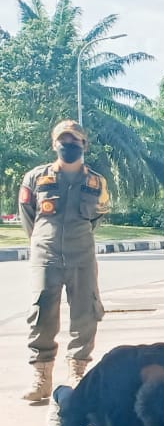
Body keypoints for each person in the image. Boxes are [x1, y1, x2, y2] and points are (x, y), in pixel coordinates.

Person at [18, 120, 110, 405]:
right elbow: (27, 215)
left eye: (74, 141)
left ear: (84, 145)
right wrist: (44, 239)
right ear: (53, 144)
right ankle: (42, 378)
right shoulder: (35, 178)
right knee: (42, 313)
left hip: (81, 255)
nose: (68, 145)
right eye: (63, 140)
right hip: (45, 255)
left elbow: (97, 216)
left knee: (85, 312)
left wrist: (74, 239)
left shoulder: (96, 182)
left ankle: (77, 372)